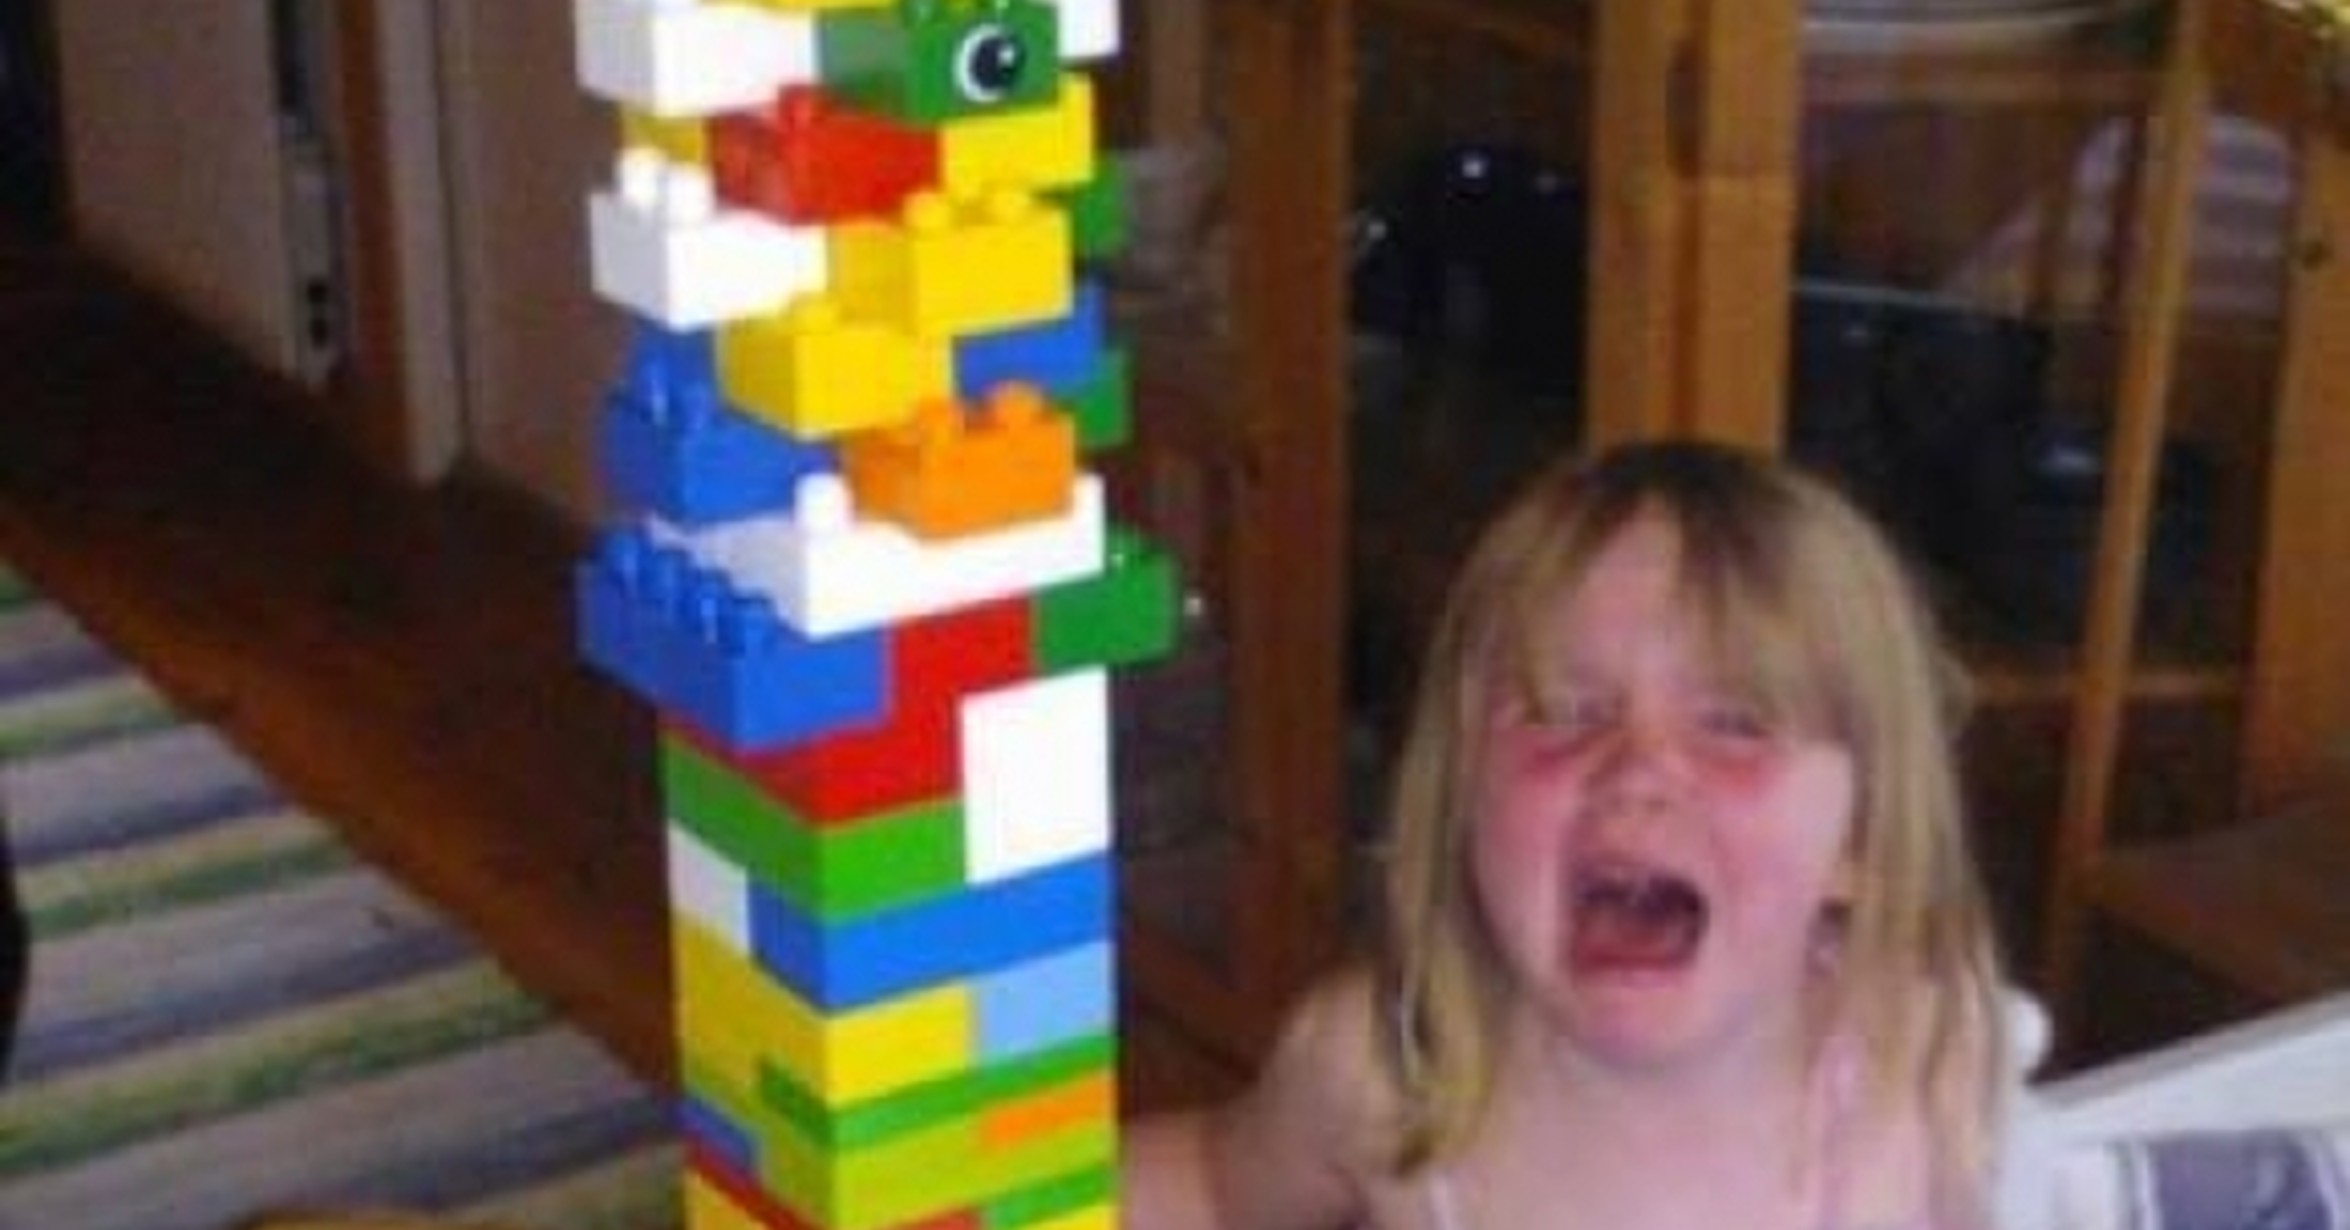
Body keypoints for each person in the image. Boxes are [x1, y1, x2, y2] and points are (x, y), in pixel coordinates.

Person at [1123, 440, 2016, 1230]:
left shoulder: (1925, 1065)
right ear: (1462, 797)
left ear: (1862, 841)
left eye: (1736, 725)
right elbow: (1206, 1189)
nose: (1637, 770)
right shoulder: (1382, 1074)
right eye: (1562, 712)